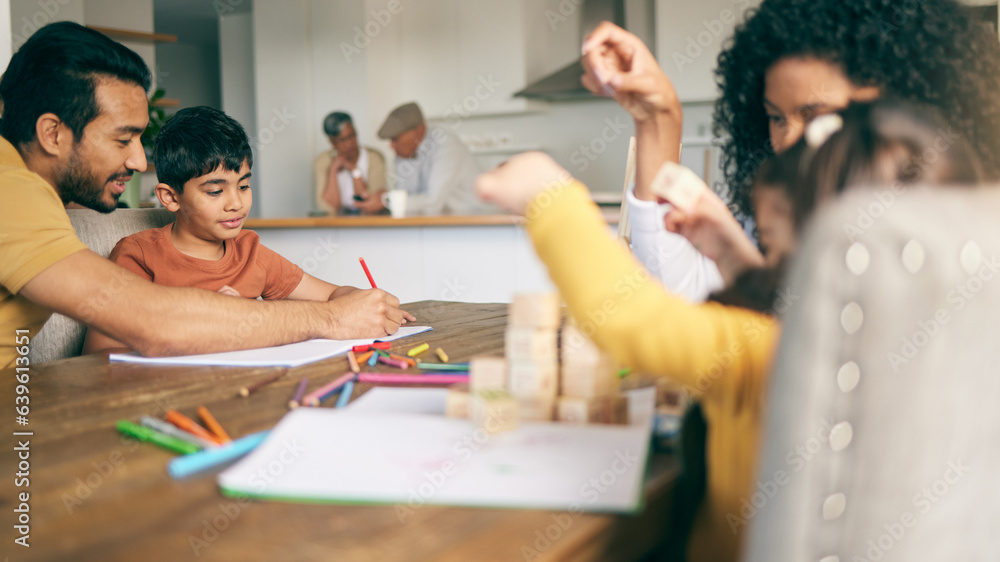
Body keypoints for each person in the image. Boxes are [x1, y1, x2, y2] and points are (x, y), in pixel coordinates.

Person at [476, 98, 985, 562]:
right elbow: (799, 302)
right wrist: (732, 255)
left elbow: (631, 318)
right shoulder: (943, 363)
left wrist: (551, 197)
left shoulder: (765, 356)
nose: (767, 259)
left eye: (772, 245)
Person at [0, 22, 410, 368]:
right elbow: (151, 324)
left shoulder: (26, 190)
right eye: (123, 139)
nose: (140, 161)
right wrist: (332, 318)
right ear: (52, 134)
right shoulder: (9, 188)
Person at [581, 0, 1000, 302]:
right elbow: (686, 304)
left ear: (905, 107)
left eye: (817, 116)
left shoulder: (966, 250)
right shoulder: (776, 213)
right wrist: (659, 120)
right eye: (776, 118)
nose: (786, 142)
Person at [84, 107, 412, 353]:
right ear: (170, 197)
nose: (236, 204)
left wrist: (368, 303)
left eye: (243, 186)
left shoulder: (250, 251)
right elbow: (100, 354)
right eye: (215, 191)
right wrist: (217, 315)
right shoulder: (139, 255)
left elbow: (332, 295)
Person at [357, 102, 483, 215]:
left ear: (416, 132)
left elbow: (432, 202)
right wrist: (386, 198)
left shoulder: (446, 145)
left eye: (395, 139)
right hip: (440, 224)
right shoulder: (405, 152)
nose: (391, 145)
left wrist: (386, 200)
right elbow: (405, 196)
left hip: (477, 224)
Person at [314, 111, 388, 215]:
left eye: (352, 136)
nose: (349, 144)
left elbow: (371, 204)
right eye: (342, 140)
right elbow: (330, 207)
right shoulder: (323, 161)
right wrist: (333, 170)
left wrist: (355, 170)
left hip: (369, 223)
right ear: (332, 142)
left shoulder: (374, 158)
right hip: (338, 226)